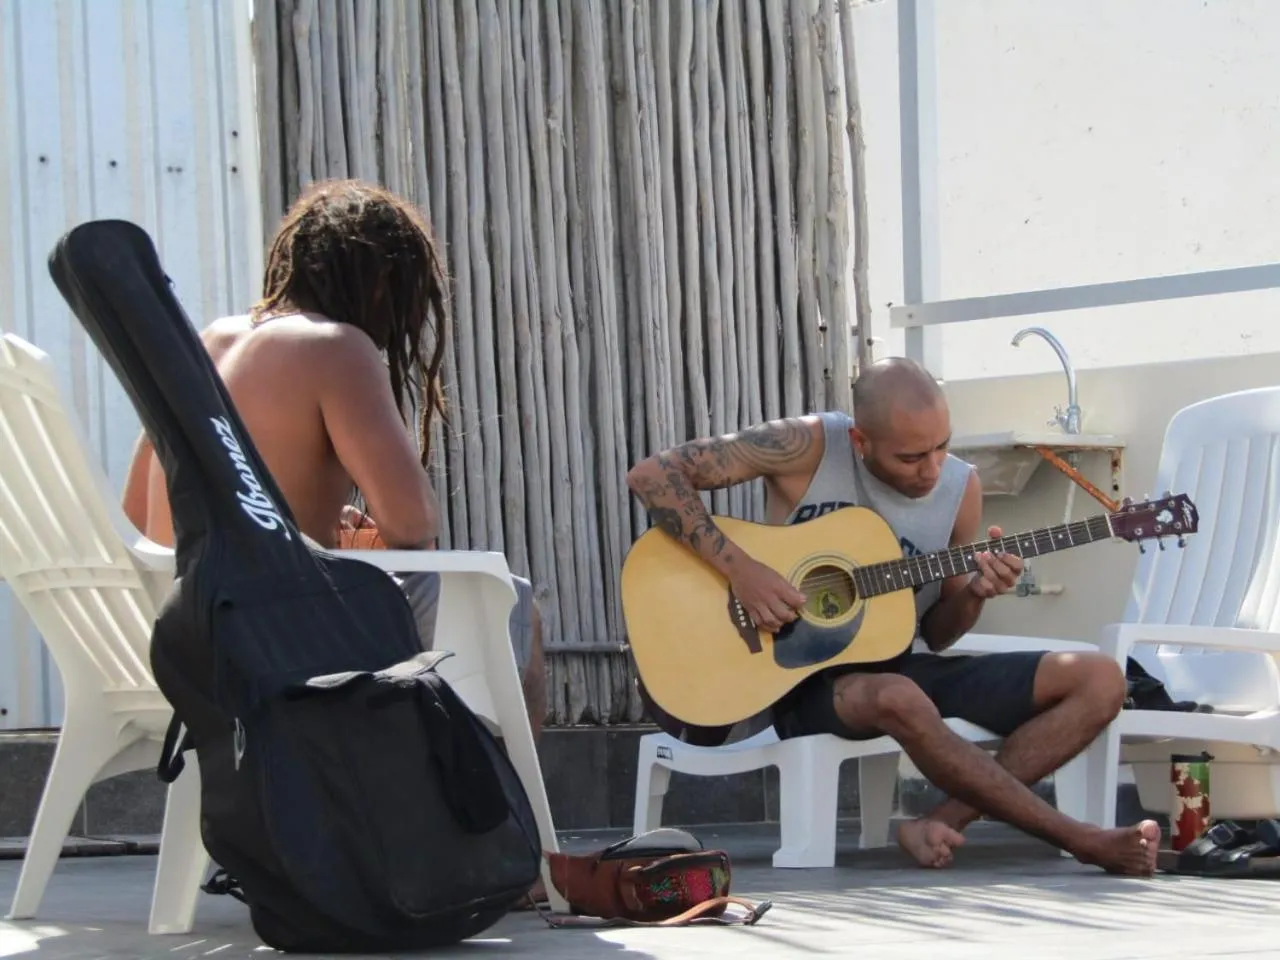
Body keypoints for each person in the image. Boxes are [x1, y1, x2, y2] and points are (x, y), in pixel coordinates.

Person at [624, 356, 1159, 876]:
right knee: (900, 696)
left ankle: (941, 822)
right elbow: (654, 475)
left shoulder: (959, 487)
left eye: (942, 447)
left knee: (1099, 678)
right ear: (861, 442)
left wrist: (974, 592)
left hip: (901, 665)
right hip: (796, 681)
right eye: (910, 458)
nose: (931, 470)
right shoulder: (809, 444)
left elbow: (938, 633)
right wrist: (743, 571)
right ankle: (1082, 839)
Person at [120, 179, 548, 744]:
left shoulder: (206, 343)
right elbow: (413, 525)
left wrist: (302, 530)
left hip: (180, 633)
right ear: (381, 286)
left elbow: (136, 509)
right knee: (507, 598)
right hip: (279, 637)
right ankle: (502, 824)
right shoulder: (334, 346)